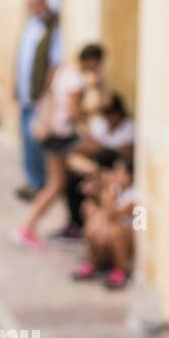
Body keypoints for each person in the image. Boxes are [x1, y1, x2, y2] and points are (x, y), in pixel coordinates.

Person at [11, 43, 104, 250]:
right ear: (92, 62)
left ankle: (42, 225)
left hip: (53, 134)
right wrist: (91, 111)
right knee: (100, 157)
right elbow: (73, 113)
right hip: (61, 137)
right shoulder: (76, 80)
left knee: (59, 183)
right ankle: (27, 227)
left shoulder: (63, 72)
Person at [59, 92, 134, 241]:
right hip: (99, 167)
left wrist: (101, 149)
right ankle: (76, 224)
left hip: (115, 170)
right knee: (73, 182)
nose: (107, 117)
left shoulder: (129, 128)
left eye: (110, 113)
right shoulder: (101, 124)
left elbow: (124, 152)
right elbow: (86, 147)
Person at [13, 0, 62, 200]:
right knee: (26, 139)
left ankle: (40, 184)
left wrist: (46, 96)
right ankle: (33, 181)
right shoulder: (30, 23)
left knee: (35, 140)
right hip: (24, 94)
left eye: (36, 0)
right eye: (29, 0)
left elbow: (54, 65)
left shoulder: (53, 27)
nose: (32, 4)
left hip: (38, 97)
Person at [72, 157, 137, 290]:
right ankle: (95, 261)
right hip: (114, 226)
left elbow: (111, 214)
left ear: (130, 176)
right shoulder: (120, 190)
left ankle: (121, 270)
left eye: (119, 172)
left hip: (128, 234)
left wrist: (108, 191)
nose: (115, 175)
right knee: (90, 209)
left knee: (114, 230)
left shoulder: (135, 197)